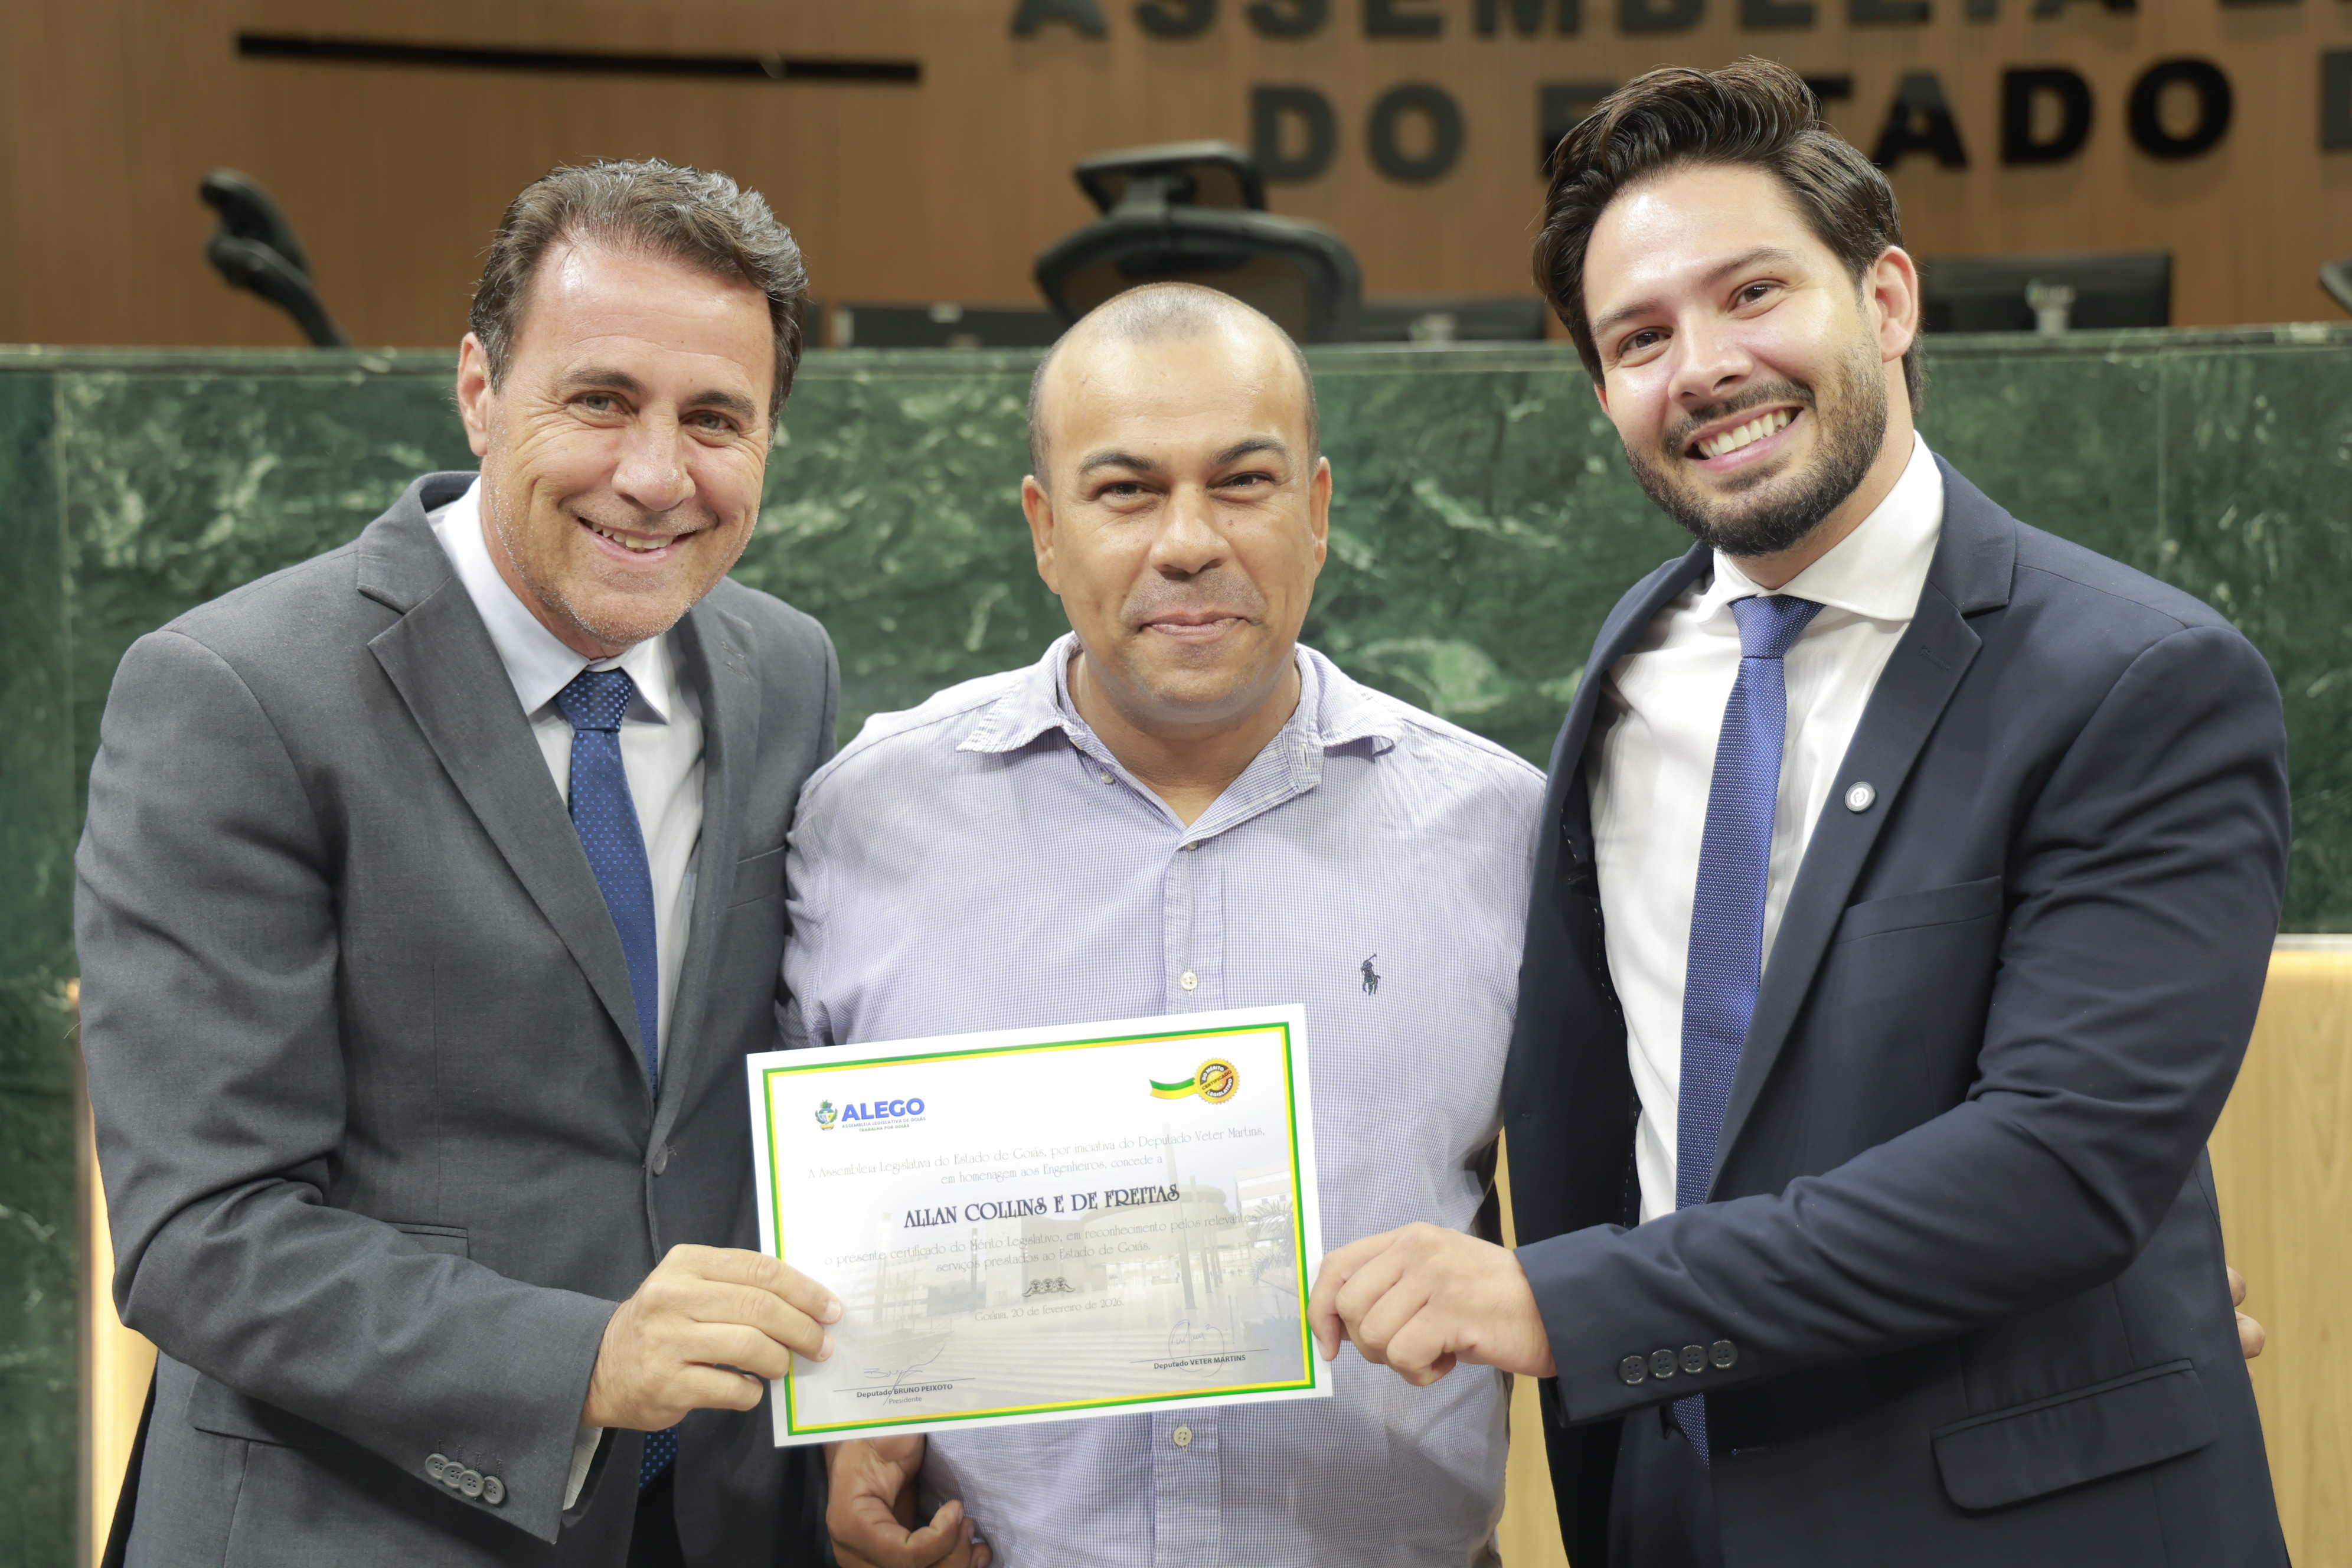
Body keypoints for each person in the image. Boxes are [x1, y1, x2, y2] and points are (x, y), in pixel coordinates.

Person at [1308, 60, 2292, 1568]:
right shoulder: (1634, 666)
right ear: (1605, 397)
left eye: (1752, 292)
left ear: (1886, 300)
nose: (1704, 365)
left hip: (2016, 1520)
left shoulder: (2140, 678)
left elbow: (2062, 1165)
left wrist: (1565, 1301)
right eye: (1640, 337)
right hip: (1671, 1501)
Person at [76, 159, 845, 1566]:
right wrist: (581, 1359)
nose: (656, 474)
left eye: (715, 418)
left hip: (715, 1519)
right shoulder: (234, 692)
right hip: (353, 1525)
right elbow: (204, 1231)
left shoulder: (785, 667)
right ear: (480, 390)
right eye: (600, 399)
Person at [784, 282, 1546, 1567]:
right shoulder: (863, 818)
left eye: (1243, 483)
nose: (1189, 541)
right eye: (1126, 491)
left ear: (1317, 512)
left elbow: (1613, 1220)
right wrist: (835, 1435)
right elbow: (784, 1212)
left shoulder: (1501, 828)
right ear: (1045, 528)